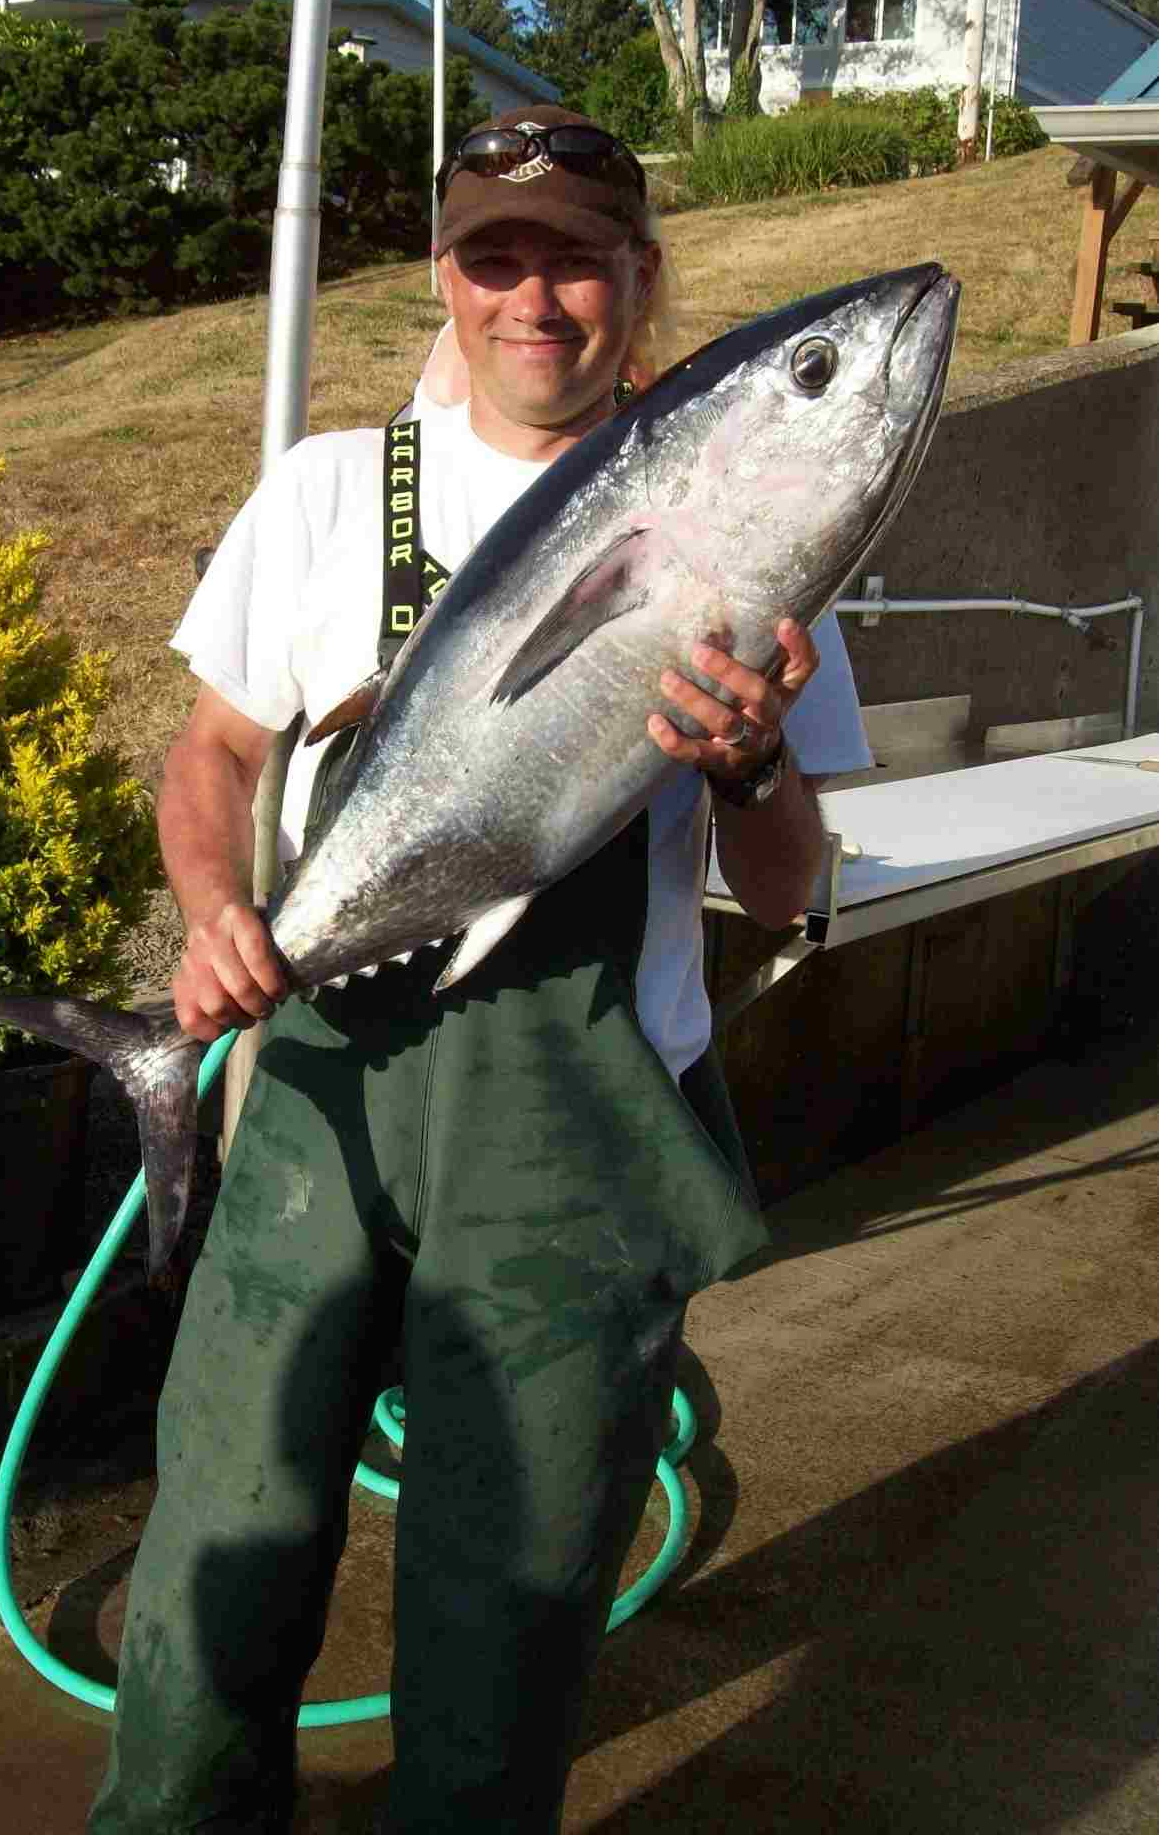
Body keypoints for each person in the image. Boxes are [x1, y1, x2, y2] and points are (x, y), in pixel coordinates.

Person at [89, 105, 871, 1835]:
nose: (535, 298)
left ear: (639, 282)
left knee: (504, 1594)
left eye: (575, 258)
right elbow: (213, 754)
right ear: (442, 279)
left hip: (574, 1135)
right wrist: (218, 906)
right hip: (313, 1103)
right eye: (493, 258)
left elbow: (787, 891)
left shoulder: (762, 540)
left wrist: (747, 768)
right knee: (223, 1536)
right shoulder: (320, 497)